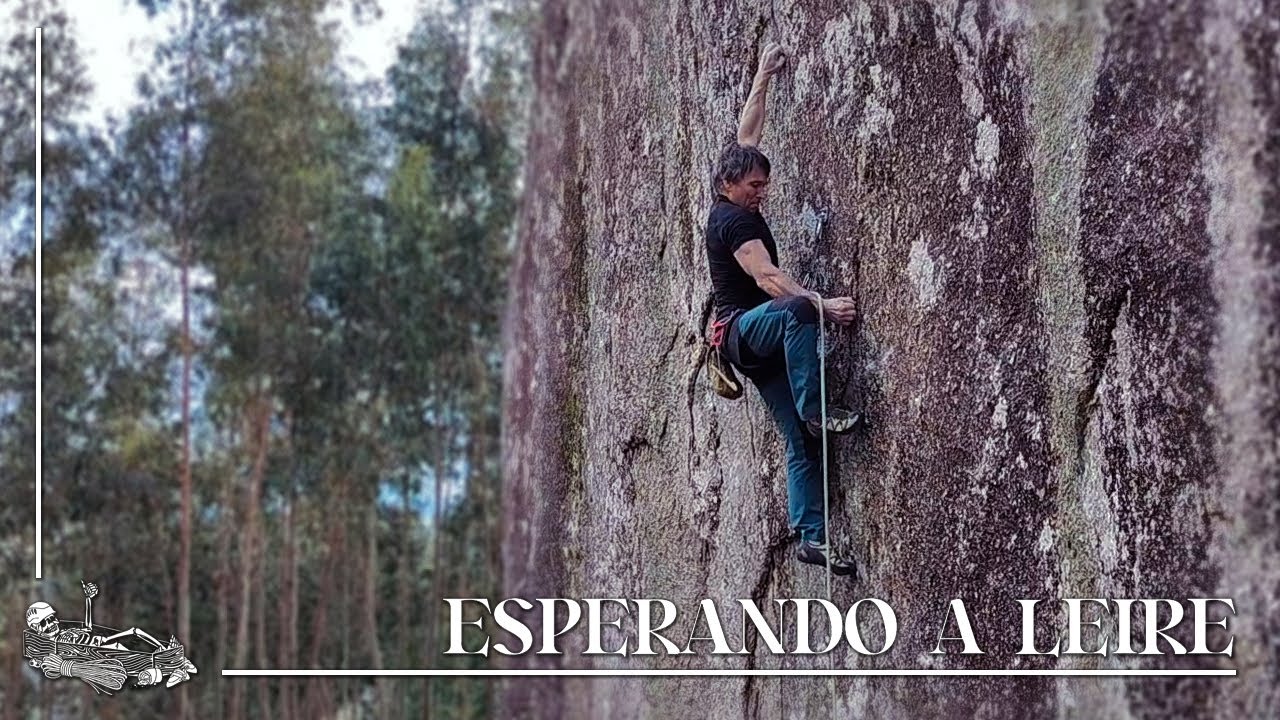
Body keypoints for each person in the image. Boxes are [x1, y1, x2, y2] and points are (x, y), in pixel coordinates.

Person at [706, 41, 861, 577]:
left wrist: (762, 75)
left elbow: (748, 130)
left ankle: (812, 538)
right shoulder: (736, 223)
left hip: (756, 347)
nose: (762, 192)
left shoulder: (732, 183)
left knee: (799, 440)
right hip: (745, 334)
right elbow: (769, 279)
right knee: (797, 311)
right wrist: (823, 304)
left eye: (765, 184)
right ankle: (816, 407)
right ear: (730, 186)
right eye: (754, 186)